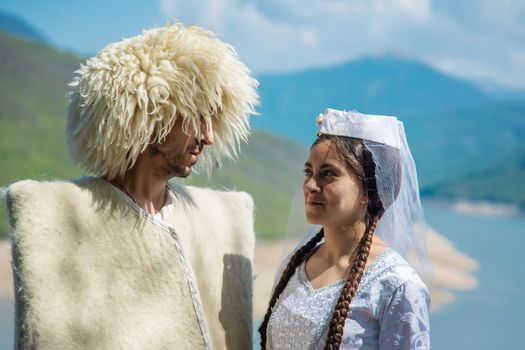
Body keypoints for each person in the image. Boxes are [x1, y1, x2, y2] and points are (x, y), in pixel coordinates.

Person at [6, 23, 258, 349]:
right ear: (152, 115)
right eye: (197, 116)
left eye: (213, 119)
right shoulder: (59, 223)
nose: (208, 136)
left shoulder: (217, 221)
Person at [259, 109, 431, 349]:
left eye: (328, 174)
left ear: (368, 191)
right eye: (308, 172)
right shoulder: (296, 265)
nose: (310, 185)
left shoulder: (397, 285)